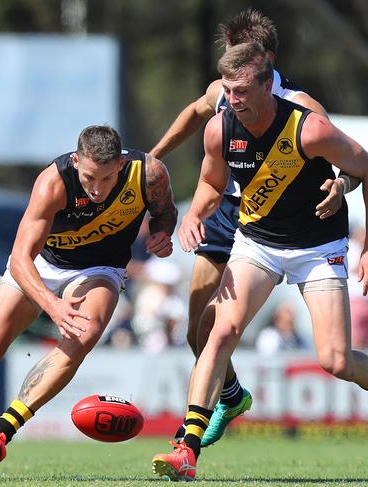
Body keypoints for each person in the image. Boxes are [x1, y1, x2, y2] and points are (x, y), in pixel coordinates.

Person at [0, 125, 178, 479]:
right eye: (89, 178)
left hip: (100, 268)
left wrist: (162, 231)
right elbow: (22, 258)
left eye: (106, 178)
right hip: (41, 265)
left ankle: (3, 430)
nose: (97, 189)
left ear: (120, 163)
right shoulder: (53, 182)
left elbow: (165, 211)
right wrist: (52, 306)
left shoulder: (148, 174)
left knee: (84, 336)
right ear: (75, 161)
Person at [151, 41, 368, 481]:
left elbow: (364, 167)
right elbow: (211, 184)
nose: (232, 100)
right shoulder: (220, 128)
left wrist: (344, 190)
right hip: (258, 243)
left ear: (269, 85)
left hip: (317, 249)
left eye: (242, 90)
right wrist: (194, 214)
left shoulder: (310, 129)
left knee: (336, 361)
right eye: (228, 90)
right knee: (217, 328)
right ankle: (186, 448)